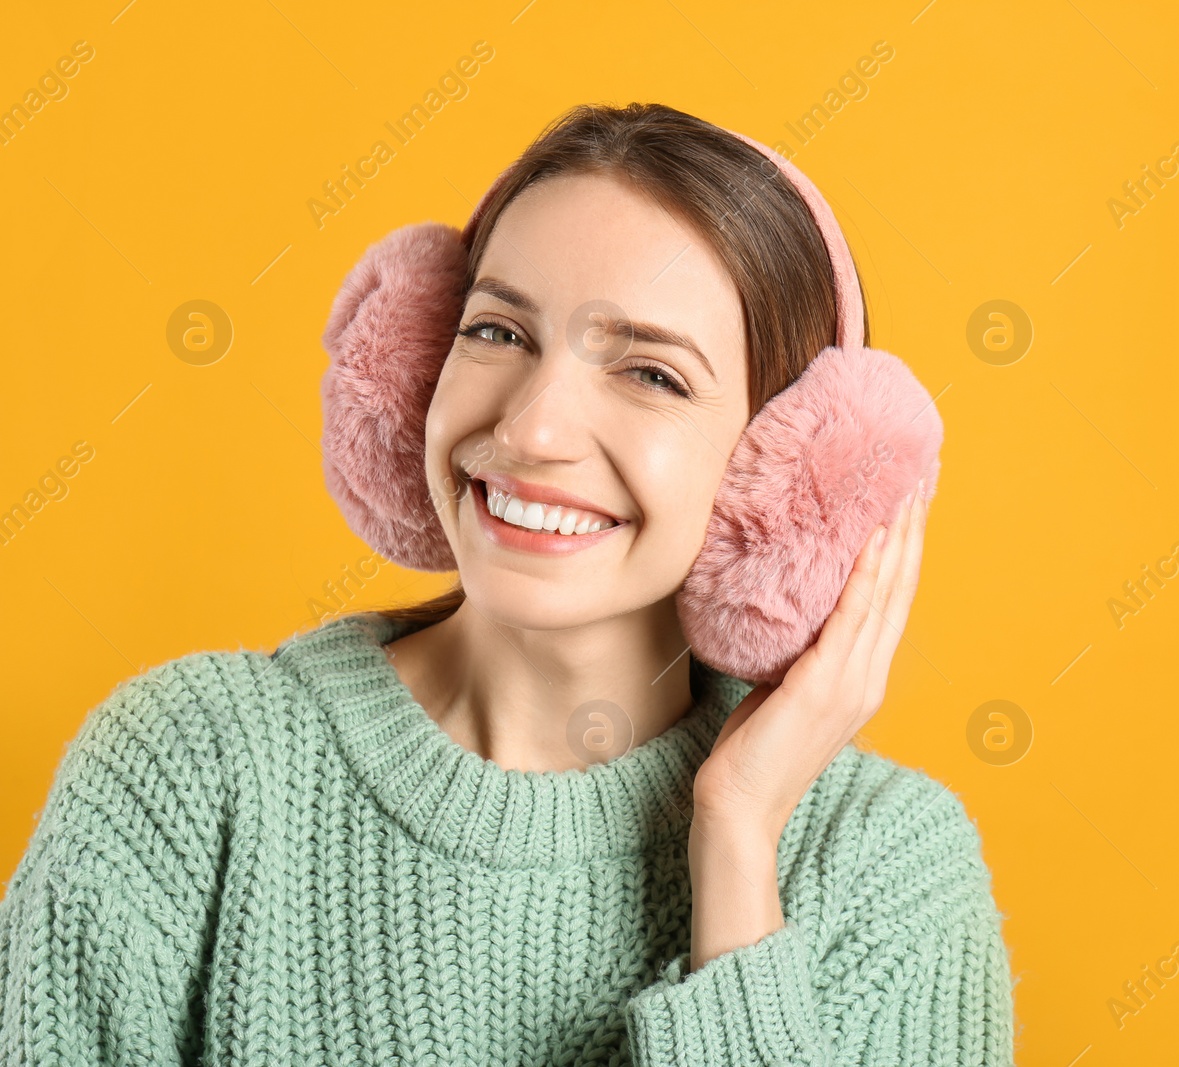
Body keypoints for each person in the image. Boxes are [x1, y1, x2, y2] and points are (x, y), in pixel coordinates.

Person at [0, 102, 1015, 1065]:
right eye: (497, 331)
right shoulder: (187, 768)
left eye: (650, 373)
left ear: (794, 478)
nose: (529, 428)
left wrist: (739, 847)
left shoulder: (892, 867)